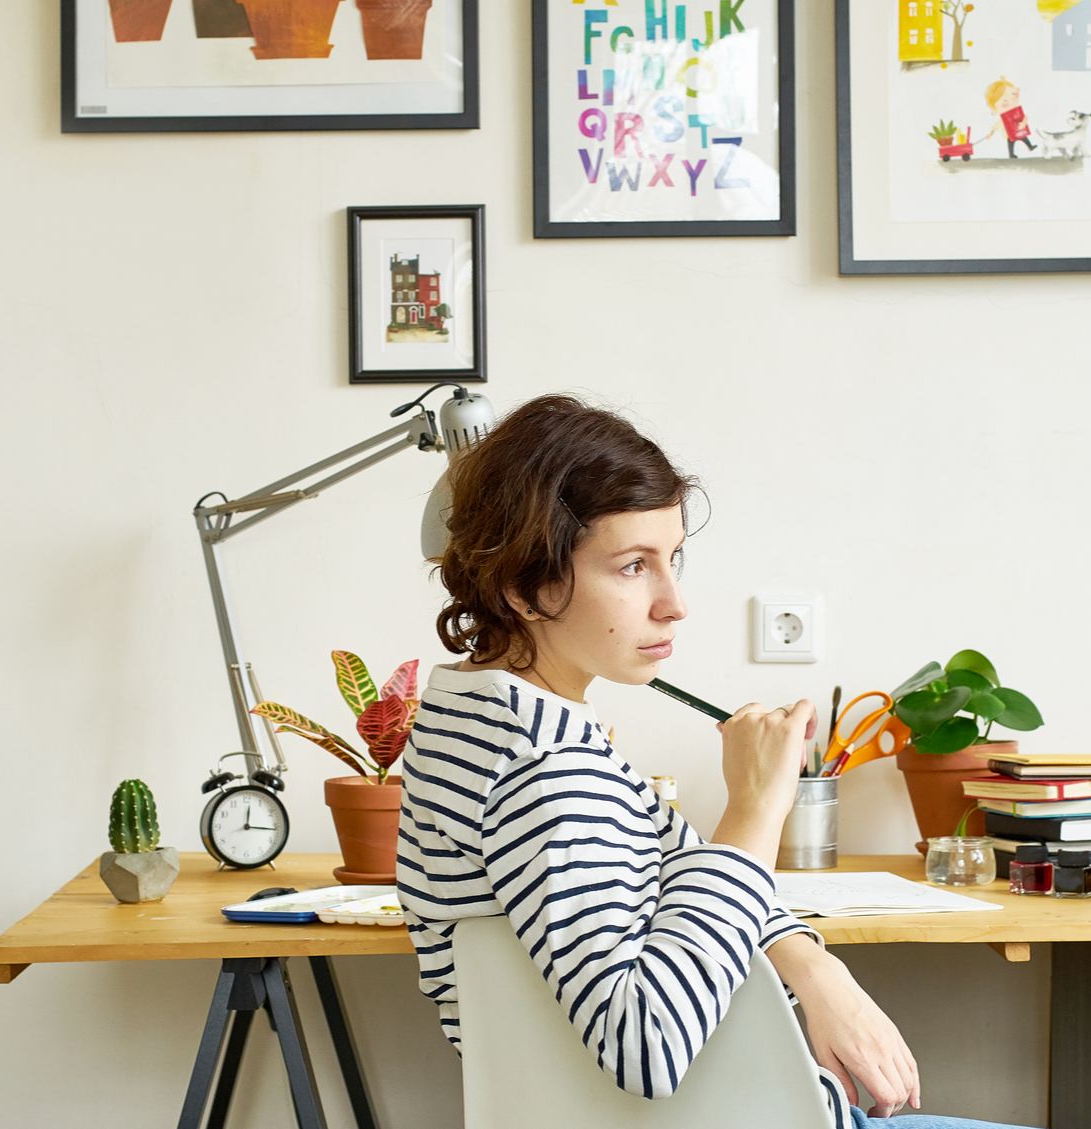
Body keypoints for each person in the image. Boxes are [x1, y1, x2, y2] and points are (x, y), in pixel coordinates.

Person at [395, 394, 1038, 1129]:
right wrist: (755, 809)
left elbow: (686, 869)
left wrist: (812, 964)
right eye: (632, 565)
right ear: (523, 584)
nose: (674, 603)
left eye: (672, 560)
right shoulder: (543, 773)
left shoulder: (478, 723)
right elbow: (645, 1046)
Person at [984, 78, 1036, 158]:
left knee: (1023, 137)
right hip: (1009, 134)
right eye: (1001, 99)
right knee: (1011, 142)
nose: (1005, 101)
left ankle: (1030, 146)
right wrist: (990, 134)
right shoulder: (1003, 119)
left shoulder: (1016, 113)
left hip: (1018, 131)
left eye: (1009, 97)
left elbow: (1025, 117)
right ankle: (1011, 154)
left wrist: (1023, 123)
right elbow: (995, 127)